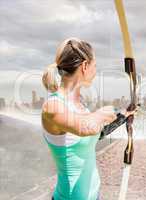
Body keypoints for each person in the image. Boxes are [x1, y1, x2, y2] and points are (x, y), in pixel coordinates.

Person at [41, 37, 137, 200]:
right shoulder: (53, 106)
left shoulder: (80, 104)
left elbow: (96, 133)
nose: (95, 70)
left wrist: (123, 115)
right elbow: (85, 127)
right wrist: (104, 112)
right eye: (95, 65)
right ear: (85, 66)